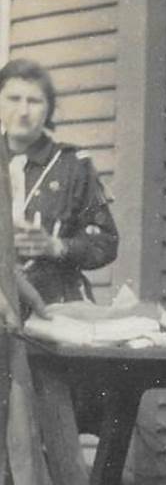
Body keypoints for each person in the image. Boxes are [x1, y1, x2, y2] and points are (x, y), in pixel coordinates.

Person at [0, 58, 118, 310]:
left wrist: (57, 246)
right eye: (13, 98)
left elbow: (106, 243)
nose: (23, 111)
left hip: (53, 305)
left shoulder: (73, 166)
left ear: (49, 110)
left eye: (34, 101)